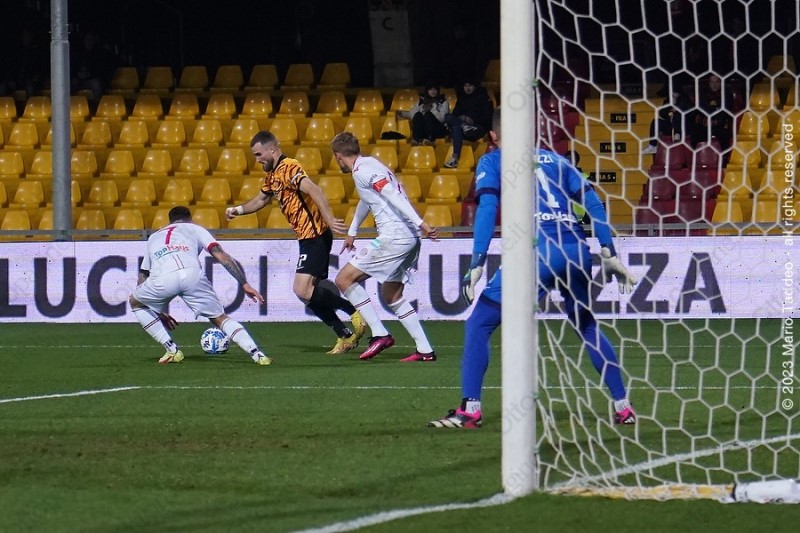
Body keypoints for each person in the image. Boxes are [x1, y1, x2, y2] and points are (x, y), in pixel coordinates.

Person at [429, 107, 638, 429]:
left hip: (536, 251)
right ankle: (623, 406)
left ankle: (470, 409)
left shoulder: (493, 160)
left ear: (493, 135)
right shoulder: (557, 161)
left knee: (479, 324)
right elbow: (594, 204)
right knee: (586, 326)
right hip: (576, 250)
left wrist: (477, 261)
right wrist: (608, 250)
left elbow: (487, 208)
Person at [225, 131, 366, 355]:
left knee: (301, 290)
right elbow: (261, 199)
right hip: (306, 238)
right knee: (306, 293)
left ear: (272, 149)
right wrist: (238, 210)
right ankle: (345, 334)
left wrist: (329, 218)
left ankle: (354, 312)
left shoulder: (289, 167)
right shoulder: (273, 175)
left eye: (259, 154)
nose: (257, 159)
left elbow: (314, 189)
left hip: (315, 235)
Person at [330, 132, 440, 362]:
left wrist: (422, 223)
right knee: (392, 294)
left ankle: (380, 334)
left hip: (395, 237)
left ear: (338, 156)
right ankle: (425, 350)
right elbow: (367, 200)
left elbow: (390, 193)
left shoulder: (361, 172)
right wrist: (352, 232)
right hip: (410, 238)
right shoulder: (370, 163)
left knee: (343, 279)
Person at [130, 206, 271, 365]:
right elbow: (222, 256)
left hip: (163, 278)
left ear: (169, 221)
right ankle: (257, 354)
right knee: (220, 318)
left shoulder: (154, 237)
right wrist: (245, 284)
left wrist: (155, 309)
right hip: (192, 274)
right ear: (190, 219)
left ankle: (172, 350)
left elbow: (143, 274)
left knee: (135, 302)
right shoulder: (195, 228)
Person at [443, 79, 494, 168]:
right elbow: (454, 115)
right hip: (462, 129)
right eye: (465, 86)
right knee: (449, 118)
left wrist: (472, 120)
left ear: (475, 86)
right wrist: (462, 119)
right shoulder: (462, 99)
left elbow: (488, 118)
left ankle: (454, 158)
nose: (467, 88)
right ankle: (454, 158)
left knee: (456, 127)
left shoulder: (484, 98)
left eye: (470, 86)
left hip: (477, 128)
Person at [642, 88, 694, 154]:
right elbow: (662, 113)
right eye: (672, 93)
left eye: (675, 93)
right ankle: (652, 146)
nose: (674, 94)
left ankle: (677, 134)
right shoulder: (669, 100)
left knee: (678, 114)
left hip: (684, 127)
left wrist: (678, 108)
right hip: (671, 126)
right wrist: (671, 104)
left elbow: (691, 114)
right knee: (656, 122)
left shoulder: (685, 99)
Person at [691, 74, 734, 151]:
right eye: (712, 82)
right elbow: (701, 108)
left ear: (721, 82)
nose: (714, 85)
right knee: (695, 131)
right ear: (709, 83)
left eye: (717, 82)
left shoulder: (727, 94)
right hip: (705, 124)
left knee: (725, 134)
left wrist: (714, 116)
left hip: (721, 124)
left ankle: (724, 156)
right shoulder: (703, 94)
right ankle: (697, 155)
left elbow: (725, 111)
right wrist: (715, 109)